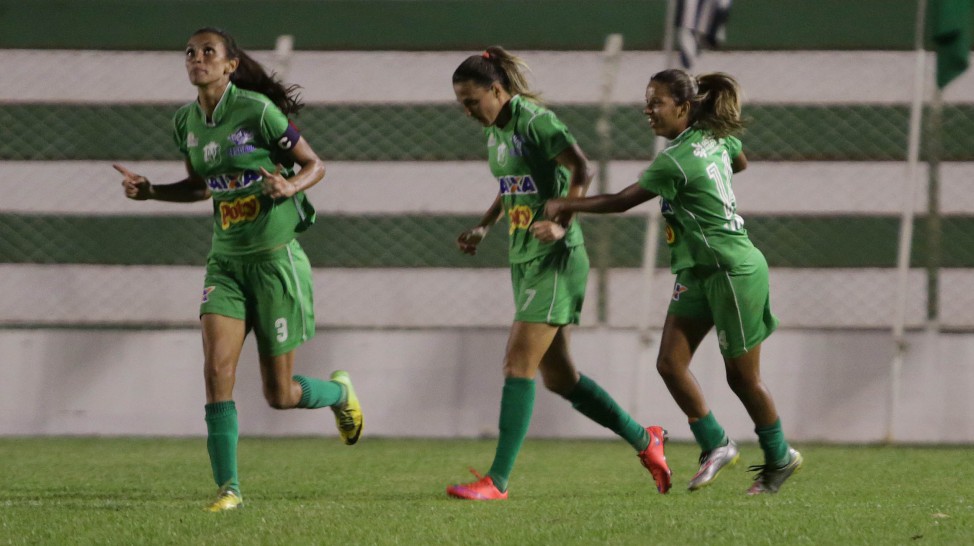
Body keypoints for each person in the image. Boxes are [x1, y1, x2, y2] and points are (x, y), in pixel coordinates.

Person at [113, 27, 363, 512]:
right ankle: (229, 489)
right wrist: (151, 192)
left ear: (229, 64)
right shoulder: (185, 121)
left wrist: (291, 188)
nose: (197, 58)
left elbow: (314, 165)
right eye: (190, 52)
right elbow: (200, 187)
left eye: (209, 52)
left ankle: (338, 393)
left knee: (280, 395)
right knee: (216, 372)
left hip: (274, 264)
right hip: (225, 264)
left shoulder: (257, 110)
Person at [544, 69, 802, 495]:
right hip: (698, 271)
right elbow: (738, 161)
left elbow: (622, 201)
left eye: (656, 102)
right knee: (669, 363)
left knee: (742, 378)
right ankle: (716, 443)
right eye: (646, 102)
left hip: (732, 271)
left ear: (683, 107)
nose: (648, 110)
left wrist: (563, 203)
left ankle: (780, 457)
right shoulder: (715, 137)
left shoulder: (676, 160)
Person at [446, 46, 671, 501]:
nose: (468, 111)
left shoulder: (534, 121)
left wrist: (563, 220)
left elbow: (580, 167)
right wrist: (484, 226)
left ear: (496, 89)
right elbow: (511, 186)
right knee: (561, 379)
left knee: (516, 363)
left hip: (557, 257)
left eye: (472, 101)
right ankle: (647, 440)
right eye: (461, 104)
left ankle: (498, 481)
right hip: (524, 257)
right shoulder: (497, 132)